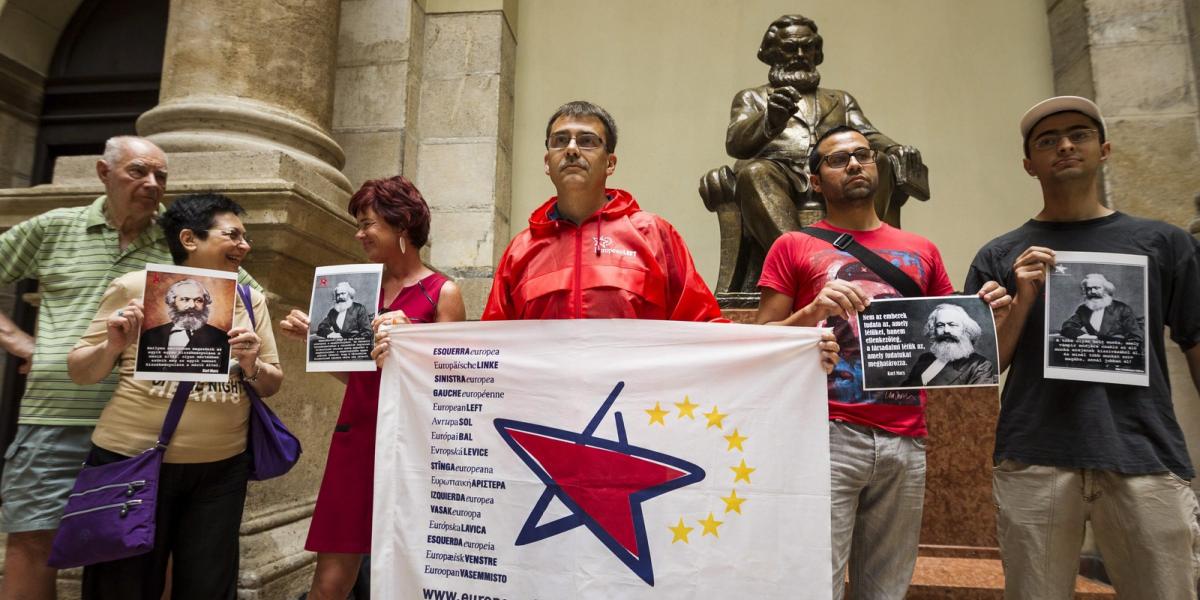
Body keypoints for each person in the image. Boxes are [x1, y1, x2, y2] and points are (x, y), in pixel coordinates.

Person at [755, 125, 1010, 599]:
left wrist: (992, 314)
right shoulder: (793, 246)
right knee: (814, 585)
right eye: (837, 159)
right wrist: (811, 316)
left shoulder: (922, 250)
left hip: (906, 440)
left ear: (877, 165)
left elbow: (951, 342)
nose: (853, 164)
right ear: (815, 181)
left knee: (886, 590)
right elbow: (760, 341)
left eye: (863, 155)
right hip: (826, 433)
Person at [0, 136, 256, 600]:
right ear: (104, 172)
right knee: (33, 536)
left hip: (146, 428)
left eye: (161, 176)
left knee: (147, 546)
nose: (152, 183)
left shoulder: (177, 242)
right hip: (57, 414)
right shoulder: (56, 228)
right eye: (138, 171)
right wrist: (21, 342)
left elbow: (242, 294)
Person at [965, 95, 1200, 599]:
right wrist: (1023, 297)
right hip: (1036, 456)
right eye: (1047, 141)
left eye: (1079, 134)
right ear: (1030, 164)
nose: (1065, 146)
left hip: (1144, 454)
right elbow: (984, 367)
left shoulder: (1165, 244)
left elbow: (1195, 339)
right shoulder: (1001, 254)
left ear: (1104, 148)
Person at [66, 192, 281, 599]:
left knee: (209, 587)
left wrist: (251, 363)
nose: (245, 245)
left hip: (221, 470)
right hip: (132, 463)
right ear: (189, 239)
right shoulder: (134, 288)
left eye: (245, 237)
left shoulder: (250, 300)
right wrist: (112, 345)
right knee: (122, 585)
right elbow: (80, 370)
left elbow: (271, 382)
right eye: (233, 235)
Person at [279, 175, 465, 600]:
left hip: (412, 447)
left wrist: (412, 341)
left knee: (409, 566)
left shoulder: (442, 293)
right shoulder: (358, 291)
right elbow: (357, 376)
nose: (359, 234)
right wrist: (317, 345)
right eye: (359, 224)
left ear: (402, 224)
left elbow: (453, 384)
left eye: (368, 223)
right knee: (330, 579)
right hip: (357, 436)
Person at [483, 101, 729, 321]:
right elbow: (493, 348)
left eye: (587, 141)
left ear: (610, 163)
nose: (571, 149)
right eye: (559, 141)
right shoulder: (520, 250)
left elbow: (703, 326)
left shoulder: (653, 234)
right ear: (547, 163)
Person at [725, 14, 926, 252]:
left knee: (878, 160)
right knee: (754, 172)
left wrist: (895, 149)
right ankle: (801, 258)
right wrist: (769, 120)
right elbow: (736, 143)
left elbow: (869, 135)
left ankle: (867, 250)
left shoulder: (840, 99)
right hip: (782, 173)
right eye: (790, 48)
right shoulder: (753, 97)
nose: (800, 55)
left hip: (834, 170)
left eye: (807, 47)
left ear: (816, 52)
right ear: (773, 54)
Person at [136, 279, 229, 367]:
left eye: (199, 300)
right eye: (185, 299)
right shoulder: (150, 335)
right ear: (173, 302)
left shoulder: (221, 338)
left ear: (205, 304)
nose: (192, 305)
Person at [901, 303, 997, 387]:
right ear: (934, 330)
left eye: (952, 325)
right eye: (940, 325)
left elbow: (979, 404)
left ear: (966, 330)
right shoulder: (925, 358)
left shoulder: (980, 365)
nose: (946, 330)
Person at [1059, 273, 1142, 342]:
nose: (1093, 292)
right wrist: (1082, 336)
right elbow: (1068, 326)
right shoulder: (1083, 309)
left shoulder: (1122, 309)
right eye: (1089, 289)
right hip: (1093, 354)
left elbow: (1136, 337)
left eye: (1097, 288)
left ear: (1106, 290)